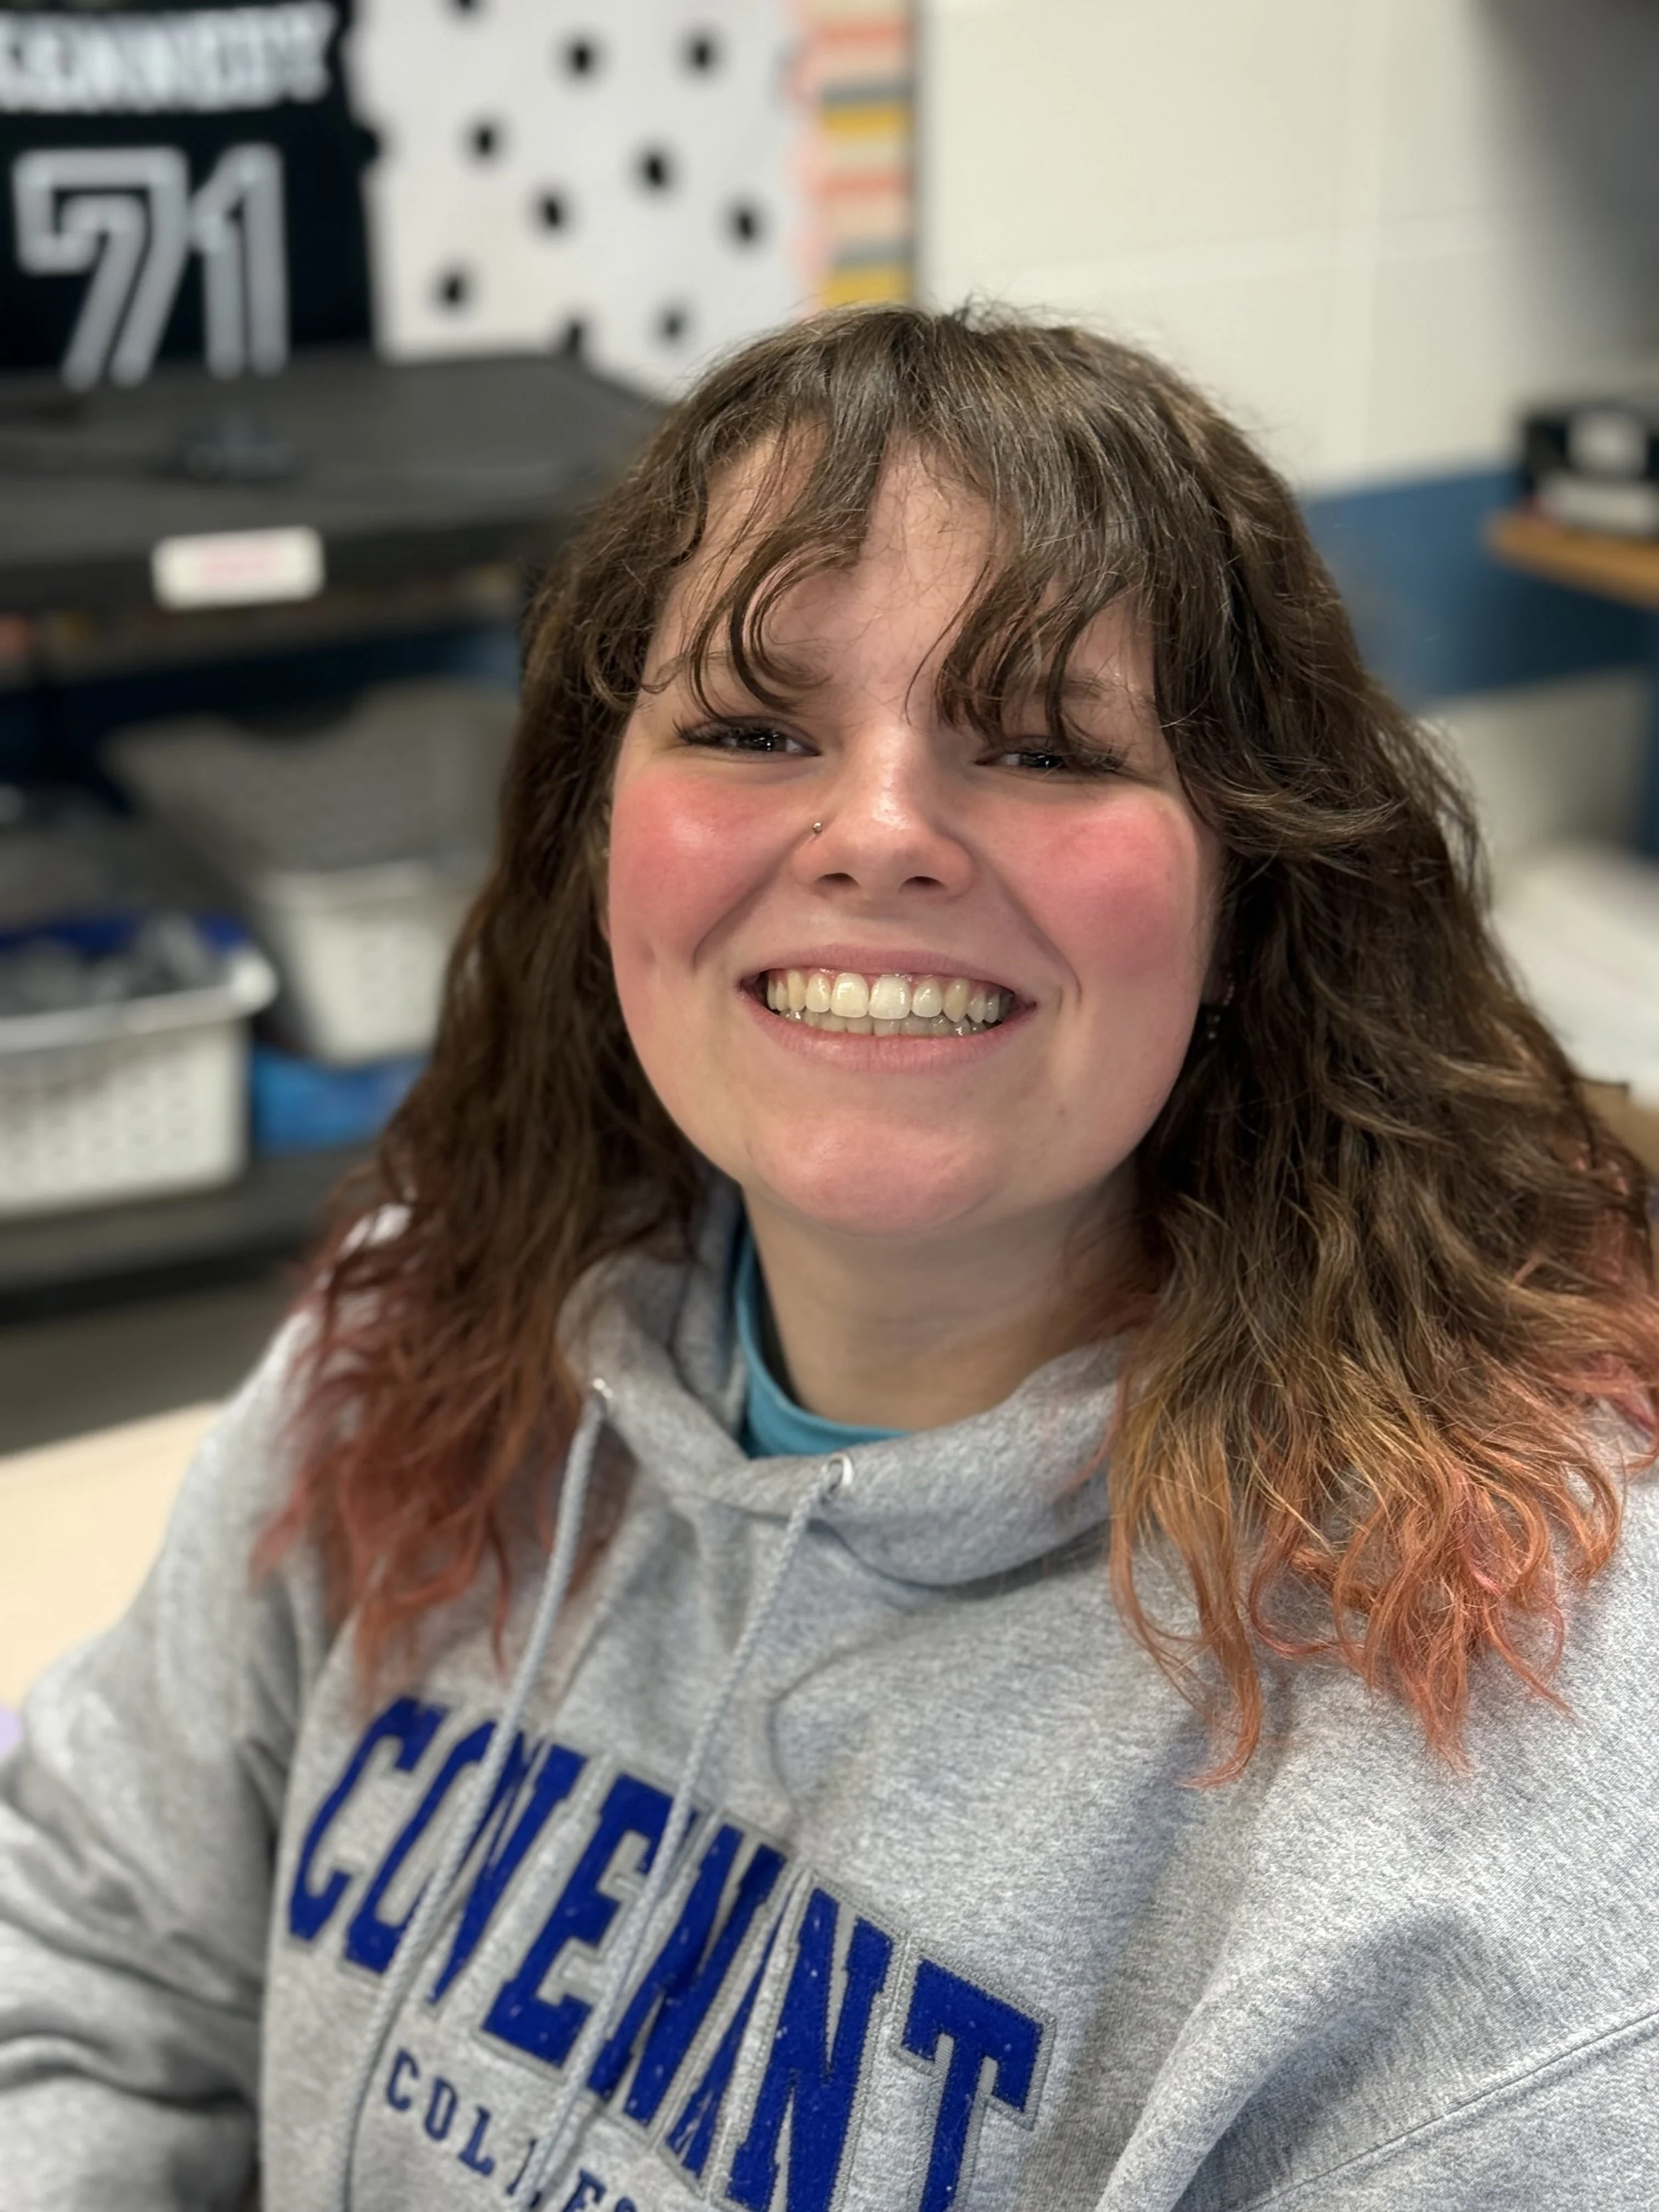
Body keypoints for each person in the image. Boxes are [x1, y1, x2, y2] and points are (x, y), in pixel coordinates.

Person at [3, 305, 1658, 2212]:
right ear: (597, 838)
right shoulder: (428, 1334)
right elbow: (91, 1958)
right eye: (749, 725)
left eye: (1043, 740)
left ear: (1246, 896)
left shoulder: (1494, 1715)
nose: (878, 833)